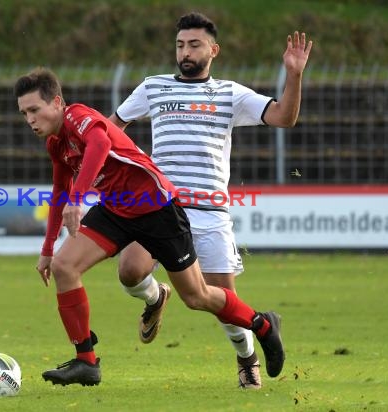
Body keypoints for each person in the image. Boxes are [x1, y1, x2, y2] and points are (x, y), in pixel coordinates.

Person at [15, 67, 284, 387]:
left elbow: (99, 143)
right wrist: (47, 250)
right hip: (116, 210)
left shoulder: (77, 116)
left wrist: (78, 197)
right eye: (24, 113)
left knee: (196, 296)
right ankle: (86, 361)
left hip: (158, 209)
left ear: (57, 102)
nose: (30, 119)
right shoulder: (56, 144)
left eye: (35, 109)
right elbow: (60, 192)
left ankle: (263, 325)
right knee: (64, 266)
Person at [108, 12, 312, 389]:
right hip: (160, 206)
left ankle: (246, 357)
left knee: (224, 306)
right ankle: (155, 298)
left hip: (210, 213)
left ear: (213, 50)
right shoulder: (153, 88)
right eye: (180, 44)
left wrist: (294, 75)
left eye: (194, 44)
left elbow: (284, 117)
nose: (185, 51)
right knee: (130, 271)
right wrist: (128, 164)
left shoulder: (231, 94)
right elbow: (112, 129)